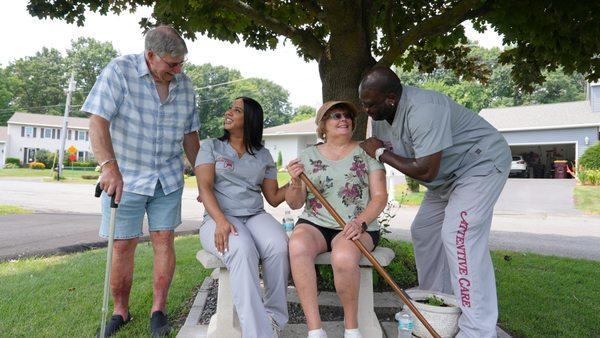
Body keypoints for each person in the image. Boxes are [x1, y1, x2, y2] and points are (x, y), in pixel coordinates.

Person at [358, 67, 511, 338]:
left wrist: (380, 152)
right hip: (445, 179)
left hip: (479, 164)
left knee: (458, 236)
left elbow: (425, 169)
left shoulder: (424, 109)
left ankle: (477, 330)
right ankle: (438, 307)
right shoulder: (382, 116)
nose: (365, 110)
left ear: (391, 98)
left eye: (369, 104)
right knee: (424, 231)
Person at [83, 26, 200, 337]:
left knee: (164, 240)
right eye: (171, 64)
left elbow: (191, 136)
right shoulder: (119, 72)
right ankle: (121, 310)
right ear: (150, 55)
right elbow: (98, 121)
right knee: (122, 245)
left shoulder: (184, 85)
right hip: (126, 178)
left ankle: (158, 310)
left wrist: (204, 179)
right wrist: (108, 166)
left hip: (169, 178)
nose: (177, 71)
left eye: (181, 64)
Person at [285, 101, 387, 338]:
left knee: (343, 256)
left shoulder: (368, 150)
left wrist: (359, 222)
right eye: (335, 116)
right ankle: (315, 330)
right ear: (323, 126)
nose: (343, 119)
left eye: (347, 116)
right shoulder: (307, 155)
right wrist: (295, 181)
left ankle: (351, 329)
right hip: (316, 222)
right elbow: (295, 203)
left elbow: (380, 197)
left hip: (358, 224)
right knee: (297, 246)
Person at [195, 97, 290, 338]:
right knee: (241, 248)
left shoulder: (263, 155)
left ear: (250, 120)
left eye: (236, 110)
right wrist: (220, 221)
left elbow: (274, 197)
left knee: (278, 245)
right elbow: (204, 187)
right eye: (230, 108)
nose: (228, 112)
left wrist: (297, 179)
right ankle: (258, 333)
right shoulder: (211, 147)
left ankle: (274, 319)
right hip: (218, 218)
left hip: (255, 215)